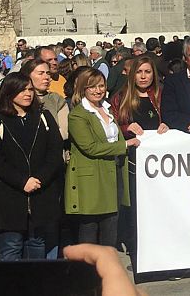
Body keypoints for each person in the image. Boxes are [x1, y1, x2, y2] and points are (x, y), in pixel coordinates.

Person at [0, 73, 64, 260]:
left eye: (29, 89)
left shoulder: (43, 116)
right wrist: (21, 181)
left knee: (37, 247)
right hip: (9, 196)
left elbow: (54, 151)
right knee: (11, 247)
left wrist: (40, 179)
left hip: (40, 194)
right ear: (9, 92)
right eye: (21, 90)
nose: (27, 94)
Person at [67, 68, 139, 247]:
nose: (98, 90)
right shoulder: (78, 115)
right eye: (92, 87)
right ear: (83, 88)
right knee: (89, 229)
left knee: (111, 227)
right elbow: (90, 147)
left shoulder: (107, 109)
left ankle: (108, 270)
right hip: (92, 177)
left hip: (113, 172)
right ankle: (87, 273)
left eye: (101, 85)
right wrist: (124, 145)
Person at [109, 56, 168, 264]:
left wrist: (167, 125)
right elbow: (110, 126)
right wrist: (126, 128)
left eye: (147, 72)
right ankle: (138, 251)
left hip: (160, 164)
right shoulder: (121, 97)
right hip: (132, 163)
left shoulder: (161, 95)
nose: (143, 77)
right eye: (139, 72)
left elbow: (175, 117)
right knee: (135, 206)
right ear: (132, 74)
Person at [20, 58, 69, 141]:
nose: (46, 77)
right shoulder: (17, 98)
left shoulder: (56, 99)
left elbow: (64, 133)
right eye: (41, 73)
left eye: (48, 73)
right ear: (28, 75)